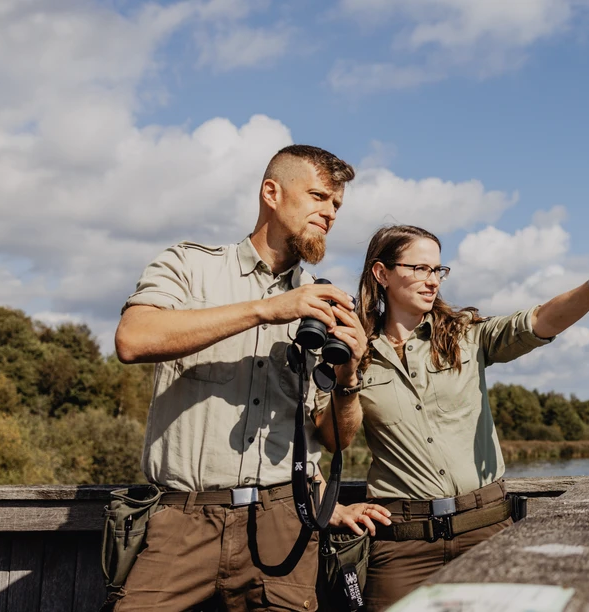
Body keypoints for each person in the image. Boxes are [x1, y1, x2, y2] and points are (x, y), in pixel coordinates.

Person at [322, 224, 589, 608]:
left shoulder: (466, 335)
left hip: (485, 528)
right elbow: (335, 440)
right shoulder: (352, 351)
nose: (432, 280)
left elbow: (539, 321)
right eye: (419, 269)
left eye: (438, 270)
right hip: (400, 542)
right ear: (381, 274)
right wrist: (347, 376)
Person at [111, 144, 391, 611]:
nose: (330, 213)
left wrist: (347, 379)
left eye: (337, 205)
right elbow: (133, 339)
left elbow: (333, 441)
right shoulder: (190, 265)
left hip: (283, 522)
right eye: (319, 197)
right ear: (271, 193)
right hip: (183, 518)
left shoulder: (320, 306)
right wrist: (264, 310)